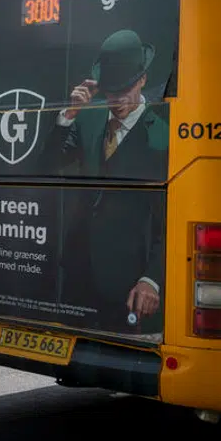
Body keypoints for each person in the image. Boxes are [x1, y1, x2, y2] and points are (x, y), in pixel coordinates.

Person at [52, 29, 168, 332]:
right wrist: (68, 114)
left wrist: (152, 279)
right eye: (109, 91)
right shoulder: (87, 119)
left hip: (131, 285)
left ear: (142, 79)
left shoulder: (163, 134)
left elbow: (172, 215)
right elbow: (49, 164)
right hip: (79, 273)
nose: (116, 99)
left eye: (124, 89)